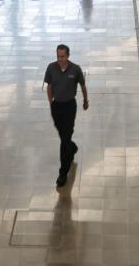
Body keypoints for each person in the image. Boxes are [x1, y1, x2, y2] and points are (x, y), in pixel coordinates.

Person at [44, 44, 89, 188]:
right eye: (58, 56)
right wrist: (51, 103)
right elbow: (49, 86)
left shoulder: (75, 69)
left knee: (64, 139)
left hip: (70, 106)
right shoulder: (51, 68)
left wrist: (85, 100)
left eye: (62, 56)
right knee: (64, 135)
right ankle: (72, 147)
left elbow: (82, 85)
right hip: (56, 106)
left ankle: (63, 173)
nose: (60, 59)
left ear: (68, 56)